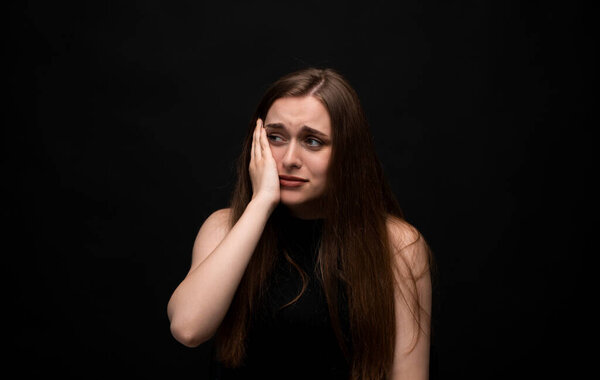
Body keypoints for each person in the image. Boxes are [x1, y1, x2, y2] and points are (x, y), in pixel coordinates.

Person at [167, 68, 433, 380]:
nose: (290, 158)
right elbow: (188, 328)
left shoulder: (397, 244)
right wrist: (261, 203)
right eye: (275, 137)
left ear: (347, 152)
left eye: (313, 141)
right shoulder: (224, 228)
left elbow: (409, 375)